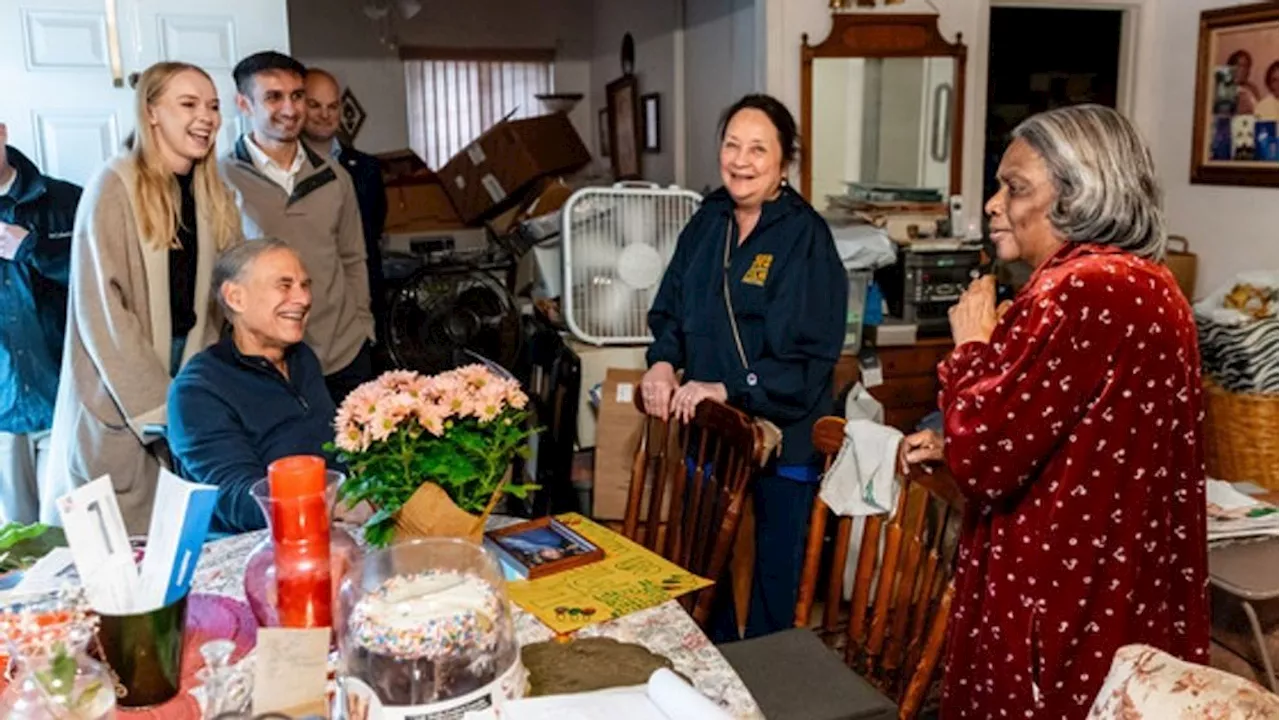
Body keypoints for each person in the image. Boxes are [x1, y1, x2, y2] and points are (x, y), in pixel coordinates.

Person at [899, 104, 1207, 719]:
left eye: (1014, 187)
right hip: (1118, 585)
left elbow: (988, 461)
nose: (992, 203)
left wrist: (973, 346)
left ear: (1080, 196)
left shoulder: (1079, 286)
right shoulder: (1151, 282)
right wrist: (952, 438)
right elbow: (1067, 429)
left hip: (1054, 597)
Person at [640, 94, 846, 639]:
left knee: (775, 581)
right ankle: (719, 672)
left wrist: (728, 385)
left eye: (759, 148)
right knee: (706, 569)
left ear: (785, 163)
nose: (741, 160)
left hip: (785, 435)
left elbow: (807, 357)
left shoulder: (806, 237)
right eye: (732, 145)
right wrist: (662, 362)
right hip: (711, 434)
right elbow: (672, 308)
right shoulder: (708, 221)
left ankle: (768, 689)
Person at [44, 62, 243, 532]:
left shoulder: (216, 194)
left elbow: (230, 292)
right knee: (123, 548)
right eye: (188, 104)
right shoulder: (112, 187)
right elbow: (102, 312)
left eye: (213, 106)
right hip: (120, 387)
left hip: (190, 372)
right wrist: (165, 409)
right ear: (151, 112)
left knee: (187, 544)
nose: (207, 117)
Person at [222, 51, 375, 407]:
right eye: (273, 97)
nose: (290, 110)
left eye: (297, 96)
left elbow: (353, 257)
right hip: (265, 363)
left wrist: (363, 328)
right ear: (244, 104)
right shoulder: (219, 180)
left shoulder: (336, 178)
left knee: (355, 461)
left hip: (343, 355)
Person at [168, 240, 338, 534]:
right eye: (284, 286)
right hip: (255, 545)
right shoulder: (198, 391)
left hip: (328, 525)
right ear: (235, 297)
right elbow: (239, 500)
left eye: (304, 285)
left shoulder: (303, 359)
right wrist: (336, 503)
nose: (303, 298)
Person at [0, 123, 82, 524]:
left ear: (1, 133)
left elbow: (102, 279)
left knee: (67, 536)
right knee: (11, 545)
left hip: (64, 397)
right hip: (2, 409)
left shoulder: (67, 200)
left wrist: (32, 249)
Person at [302, 68, 388, 344]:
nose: (325, 114)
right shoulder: (286, 170)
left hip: (360, 298)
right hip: (309, 301)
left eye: (332, 106)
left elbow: (373, 227)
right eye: (314, 105)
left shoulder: (367, 168)